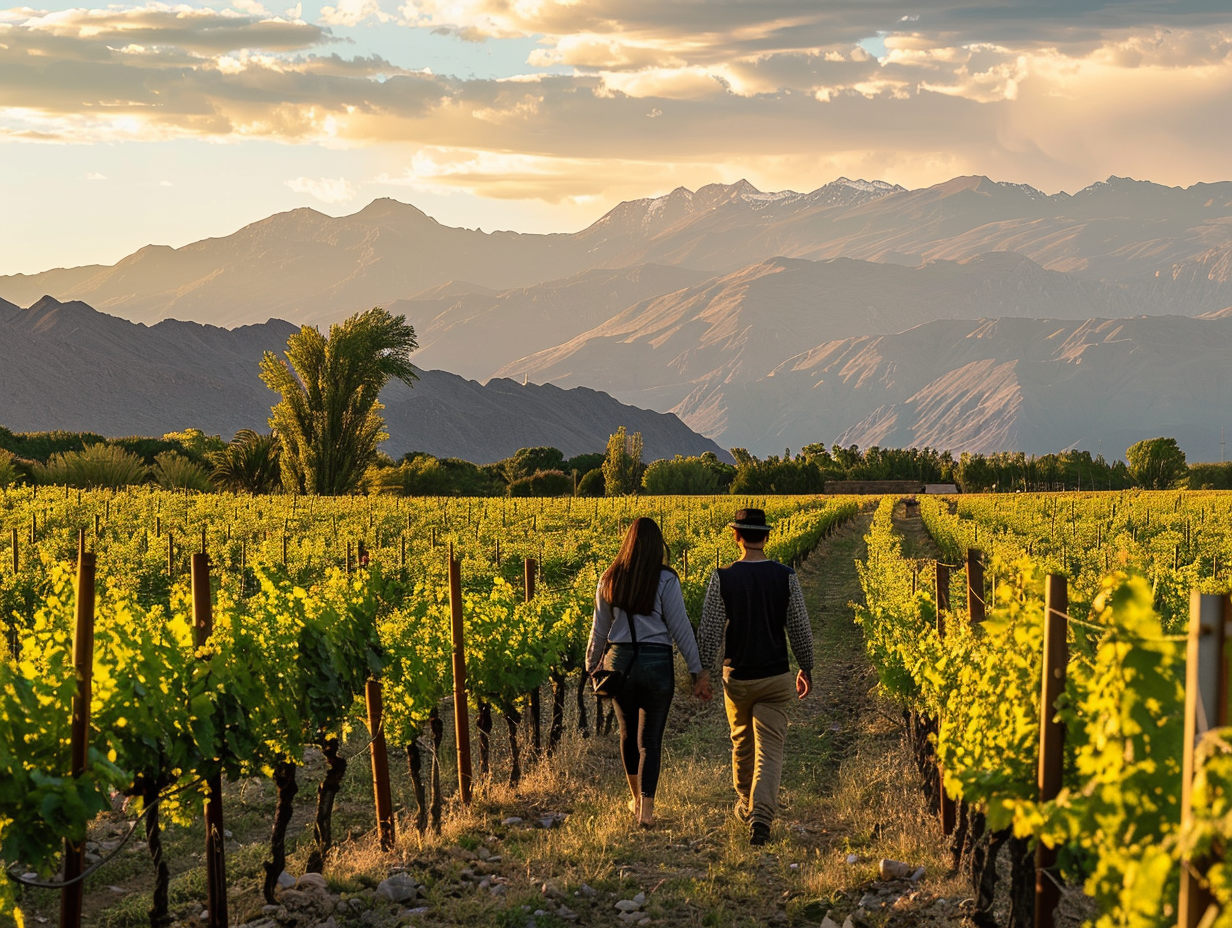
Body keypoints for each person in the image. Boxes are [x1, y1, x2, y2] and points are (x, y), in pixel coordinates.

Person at [694, 508, 813, 846]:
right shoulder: (786, 576)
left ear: (736, 536)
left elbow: (710, 630)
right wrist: (806, 666)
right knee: (770, 749)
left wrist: (702, 672)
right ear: (767, 536)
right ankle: (760, 816)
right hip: (775, 675)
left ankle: (747, 804)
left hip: (738, 677)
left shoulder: (723, 577)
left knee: (742, 743)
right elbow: (799, 627)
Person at [586, 517, 704, 827]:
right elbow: (681, 628)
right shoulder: (666, 580)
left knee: (627, 734)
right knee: (650, 739)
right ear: (657, 546)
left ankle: (636, 799)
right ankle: (646, 812)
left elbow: (598, 631)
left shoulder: (608, 578)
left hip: (619, 663)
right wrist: (696, 670)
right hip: (656, 662)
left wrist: (591, 666)